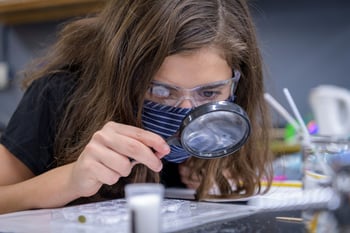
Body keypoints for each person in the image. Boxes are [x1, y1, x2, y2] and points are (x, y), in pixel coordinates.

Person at [0, 0, 273, 214]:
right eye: (160, 90)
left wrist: (218, 176)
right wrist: (71, 180)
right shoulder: (58, 94)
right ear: (123, 74)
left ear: (237, 82)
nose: (186, 110)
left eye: (209, 92)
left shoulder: (229, 120)